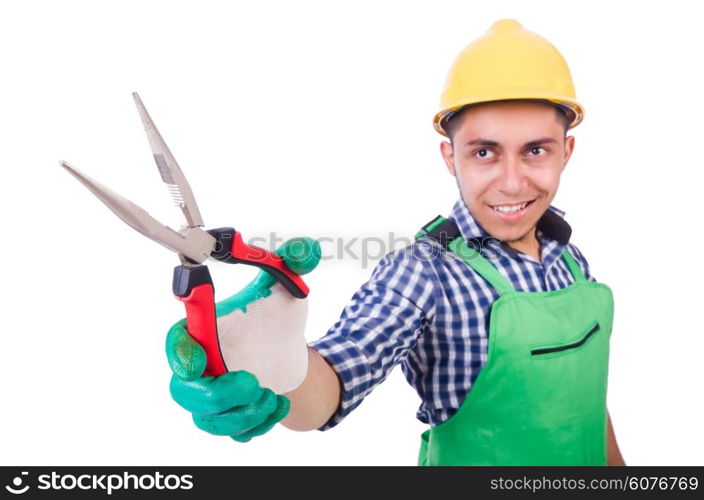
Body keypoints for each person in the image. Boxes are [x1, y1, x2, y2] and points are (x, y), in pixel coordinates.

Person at [166, 18, 625, 466]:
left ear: (566, 152)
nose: (510, 181)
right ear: (451, 156)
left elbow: (587, 407)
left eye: (535, 150)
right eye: (484, 152)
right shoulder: (425, 271)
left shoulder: (571, 259)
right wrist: (278, 362)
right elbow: (333, 385)